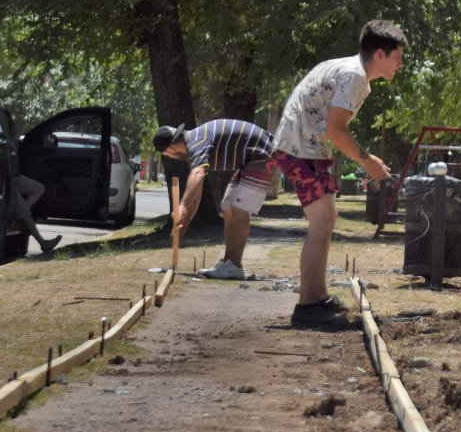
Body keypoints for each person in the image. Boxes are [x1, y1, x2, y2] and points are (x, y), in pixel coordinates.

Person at [272, 20, 405, 328]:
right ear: (380, 54)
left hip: (303, 147)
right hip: (299, 149)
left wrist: (365, 158)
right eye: (397, 56)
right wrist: (366, 159)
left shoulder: (349, 69)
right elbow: (335, 130)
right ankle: (307, 306)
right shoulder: (355, 75)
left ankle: (318, 298)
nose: (400, 64)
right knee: (321, 223)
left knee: (326, 221)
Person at [153, 119, 276, 280]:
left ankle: (234, 265)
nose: (172, 157)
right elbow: (197, 191)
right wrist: (185, 223)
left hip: (261, 155)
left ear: (169, 149)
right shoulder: (195, 143)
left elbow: (196, 175)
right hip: (251, 158)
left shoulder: (196, 142)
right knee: (227, 205)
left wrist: (182, 206)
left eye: (168, 155)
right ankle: (228, 263)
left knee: (239, 207)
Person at [11, 173, 61, 254]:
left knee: (39, 188)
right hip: (4, 180)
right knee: (23, 212)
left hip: (13, 175)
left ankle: (19, 215)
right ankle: (43, 243)